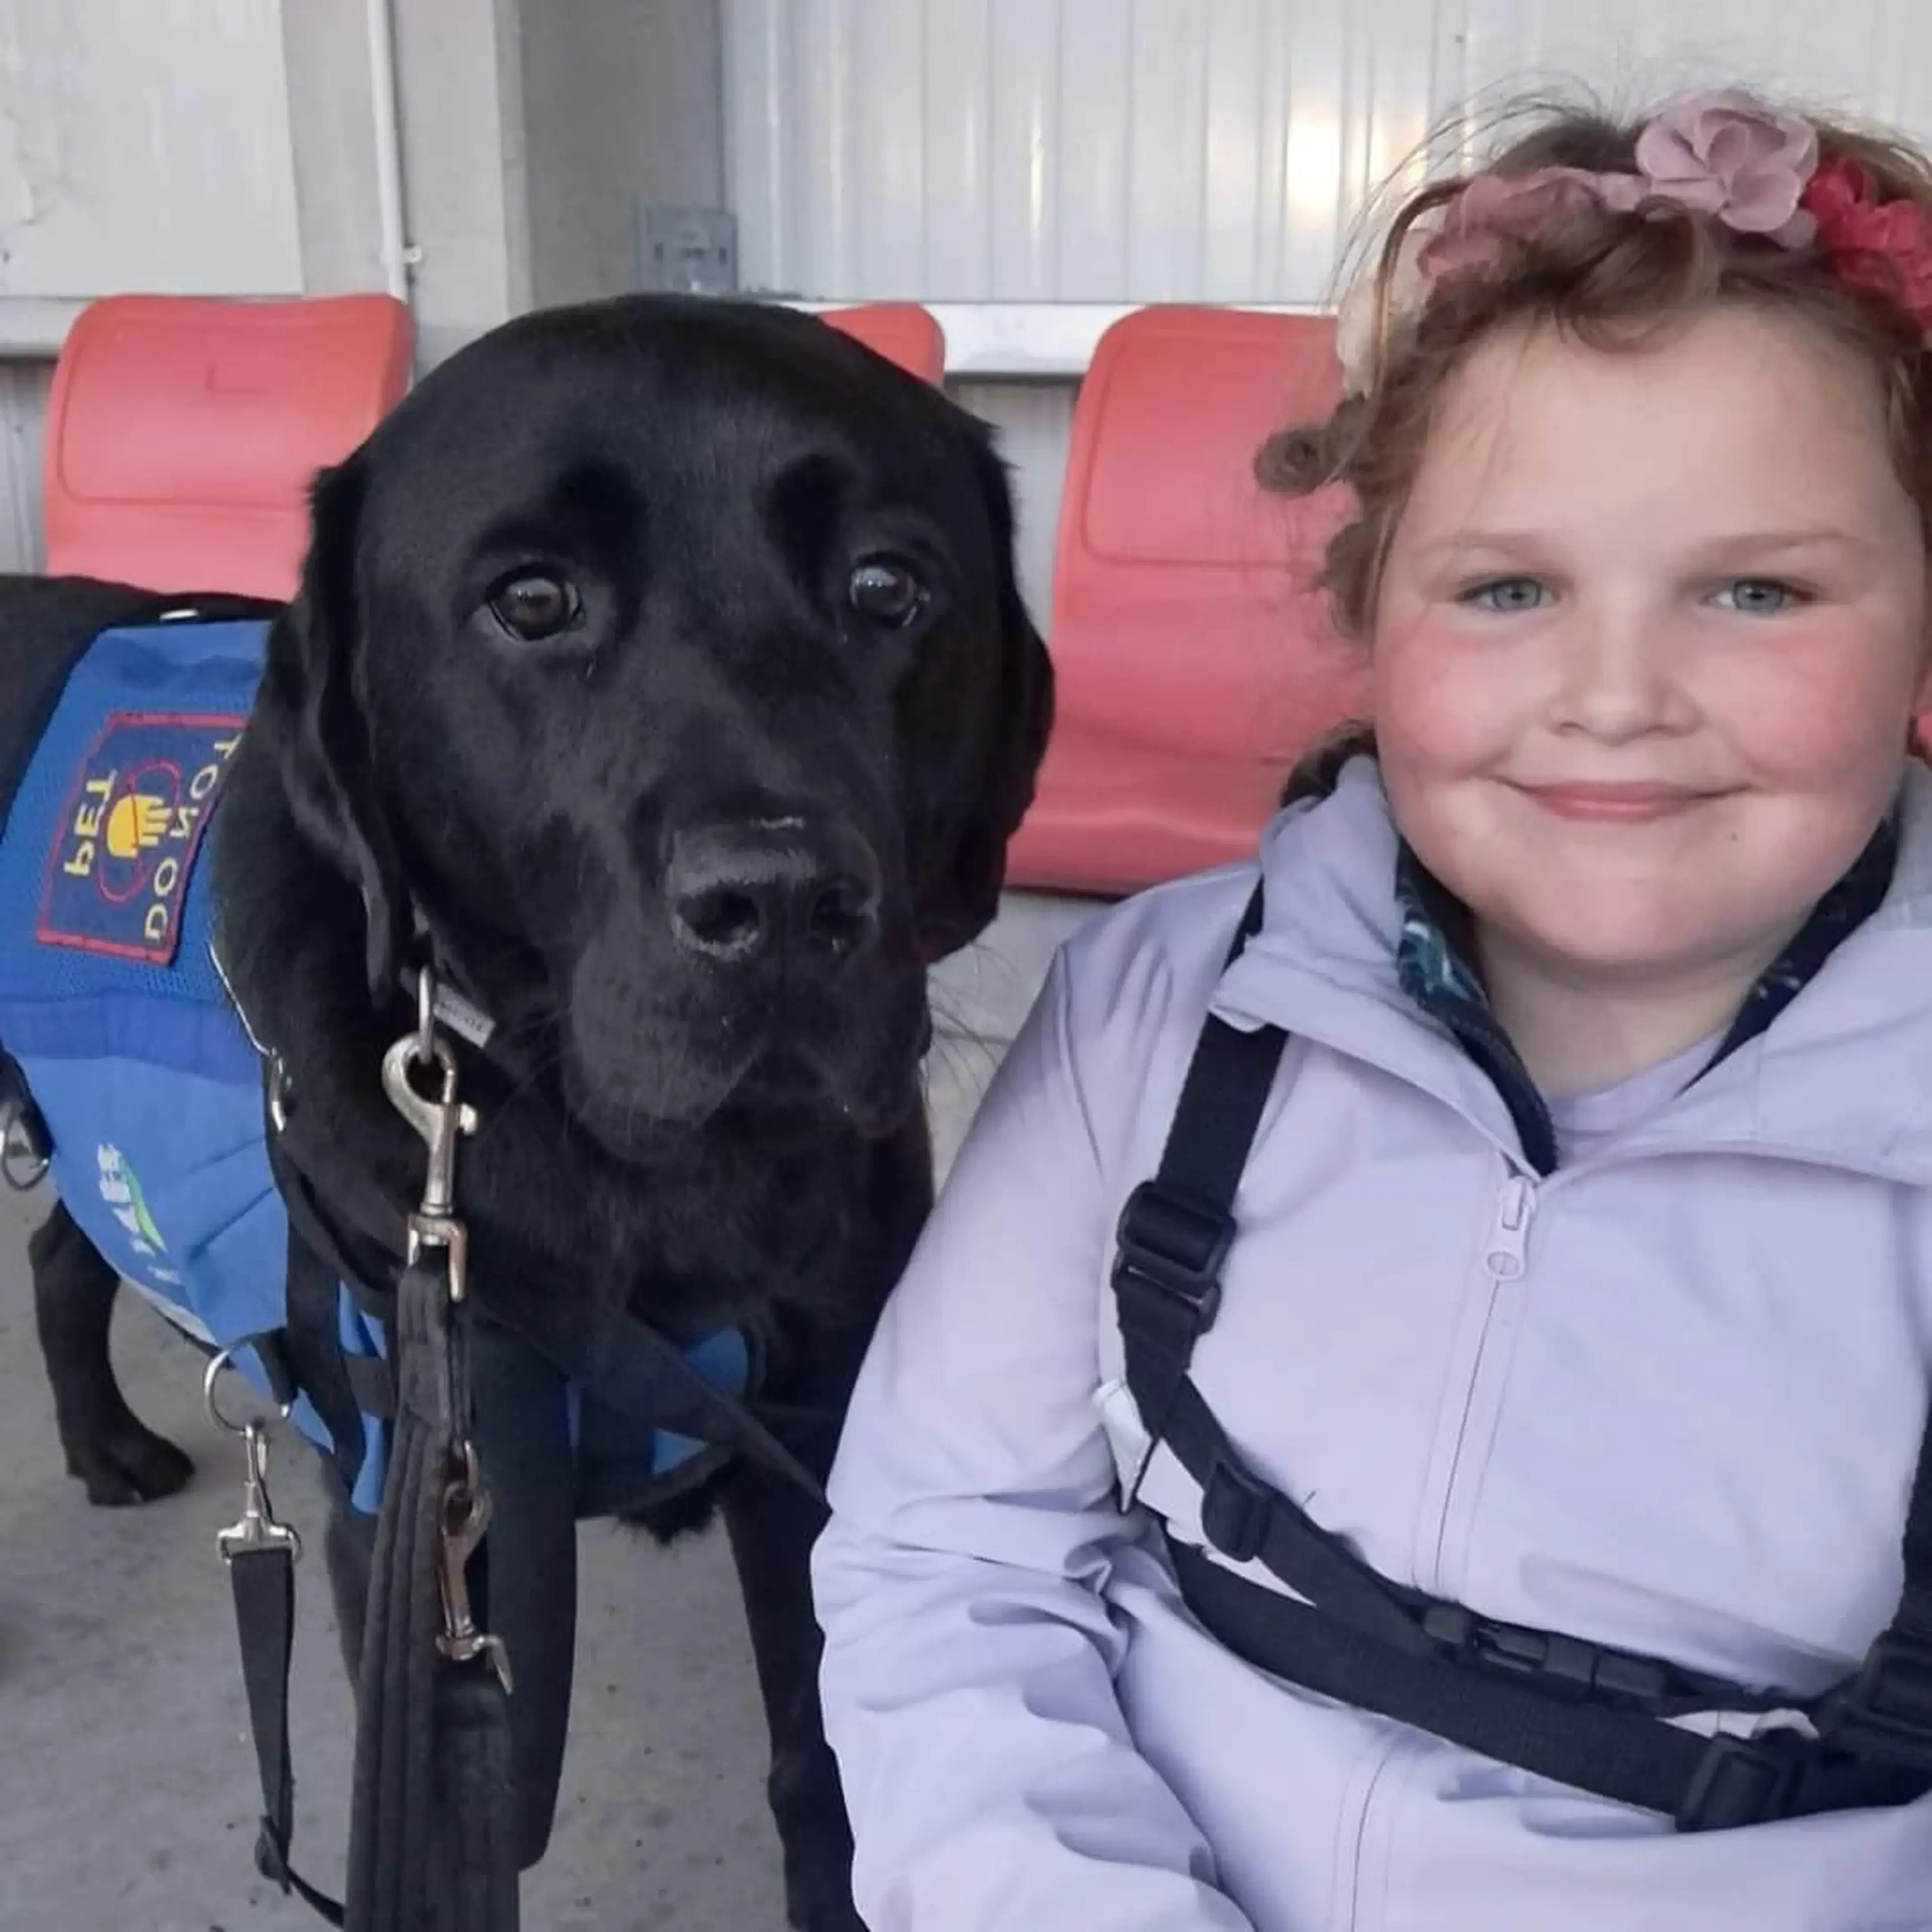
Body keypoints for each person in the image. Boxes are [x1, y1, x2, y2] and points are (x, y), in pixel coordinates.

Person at [811, 89, 1932, 1931]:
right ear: (1374, 612)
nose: (1616, 693)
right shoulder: (1164, 1015)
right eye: (1508, 589)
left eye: (1756, 588)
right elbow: (954, 1545)